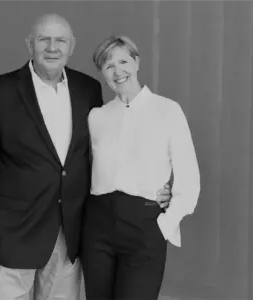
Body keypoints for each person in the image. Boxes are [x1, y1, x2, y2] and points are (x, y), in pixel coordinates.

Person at [0, 14, 172, 300]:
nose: (52, 47)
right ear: (30, 44)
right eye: (43, 39)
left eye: (60, 40)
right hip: (12, 239)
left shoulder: (87, 90)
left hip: (68, 239)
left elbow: (108, 153)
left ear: (71, 46)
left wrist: (158, 188)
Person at [81, 35, 200, 300]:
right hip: (97, 227)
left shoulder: (167, 110)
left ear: (137, 63)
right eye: (108, 65)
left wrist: (165, 224)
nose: (117, 71)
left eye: (123, 61)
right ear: (102, 72)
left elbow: (188, 176)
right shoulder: (97, 117)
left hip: (145, 225)